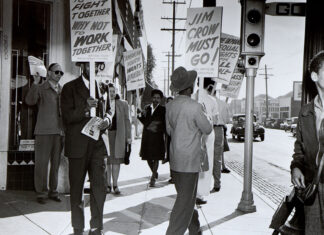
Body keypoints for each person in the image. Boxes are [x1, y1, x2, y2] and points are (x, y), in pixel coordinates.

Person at [61, 62, 110, 235]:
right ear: (82, 65)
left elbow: (109, 111)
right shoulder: (69, 88)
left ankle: (96, 227)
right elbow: (66, 116)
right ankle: (78, 228)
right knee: (76, 190)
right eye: (89, 64)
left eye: (96, 64)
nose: (93, 68)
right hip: (77, 146)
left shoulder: (104, 87)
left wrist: (108, 120)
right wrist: (85, 109)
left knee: (99, 189)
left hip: (98, 146)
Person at [165, 67, 213, 235]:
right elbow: (207, 129)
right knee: (184, 202)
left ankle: (195, 229)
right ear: (189, 87)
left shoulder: (170, 105)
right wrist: (207, 115)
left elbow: (169, 131)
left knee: (186, 197)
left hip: (175, 158)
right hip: (190, 160)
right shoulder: (195, 106)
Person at [291, 50, 324, 234]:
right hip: (313, 188)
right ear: (314, 76)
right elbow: (299, 150)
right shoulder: (305, 112)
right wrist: (296, 167)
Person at [25, 63, 64, 204]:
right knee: (41, 164)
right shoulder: (41, 88)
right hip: (43, 132)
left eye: (61, 73)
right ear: (48, 73)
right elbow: (29, 101)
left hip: (58, 133)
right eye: (56, 72)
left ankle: (53, 191)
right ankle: (41, 193)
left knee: (55, 164)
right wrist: (35, 83)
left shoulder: (62, 90)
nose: (59, 74)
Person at [195, 78, 218, 205]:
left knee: (192, 161)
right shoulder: (212, 100)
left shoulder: (192, 97)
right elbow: (215, 119)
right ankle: (201, 193)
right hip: (208, 133)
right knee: (205, 162)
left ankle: (192, 190)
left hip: (193, 132)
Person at [105, 83, 132, 194]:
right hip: (106, 136)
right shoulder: (103, 104)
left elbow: (127, 121)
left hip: (118, 135)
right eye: (109, 91)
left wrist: (129, 137)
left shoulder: (123, 104)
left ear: (116, 92)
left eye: (113, 91)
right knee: (107, 162)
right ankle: (107, 185)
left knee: (116, 161)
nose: (111, 93)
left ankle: (115, 184)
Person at [138, 89, 166, 187]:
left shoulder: (163, 110)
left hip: (157, 137)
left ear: (160, 99)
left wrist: (157, 127)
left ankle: (153, 177)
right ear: (151, 98)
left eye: (158, 98)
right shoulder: (147, 108)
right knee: (148, 157)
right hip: (147, 137)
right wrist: (139, 115)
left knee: (156, 158)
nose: (156, 100)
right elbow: (145, 122)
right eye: (154, 97)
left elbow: (164, 124)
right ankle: (154, 172)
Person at [207, 81, 231, 193]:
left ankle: (205, 183)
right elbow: (226, 120)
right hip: (219, 129)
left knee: (206, 156)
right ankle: (217, 183)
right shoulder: (223, 103)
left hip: (207, 129)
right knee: (217, 158)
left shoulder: (204, 102)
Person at [164, 96, 174, 184]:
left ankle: (174, 176)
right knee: (170, 157)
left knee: (174, 157)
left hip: (175, 136)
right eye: (168, 102)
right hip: (168, 137)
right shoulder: (165, 112)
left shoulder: (176, 112)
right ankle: (172, 175)